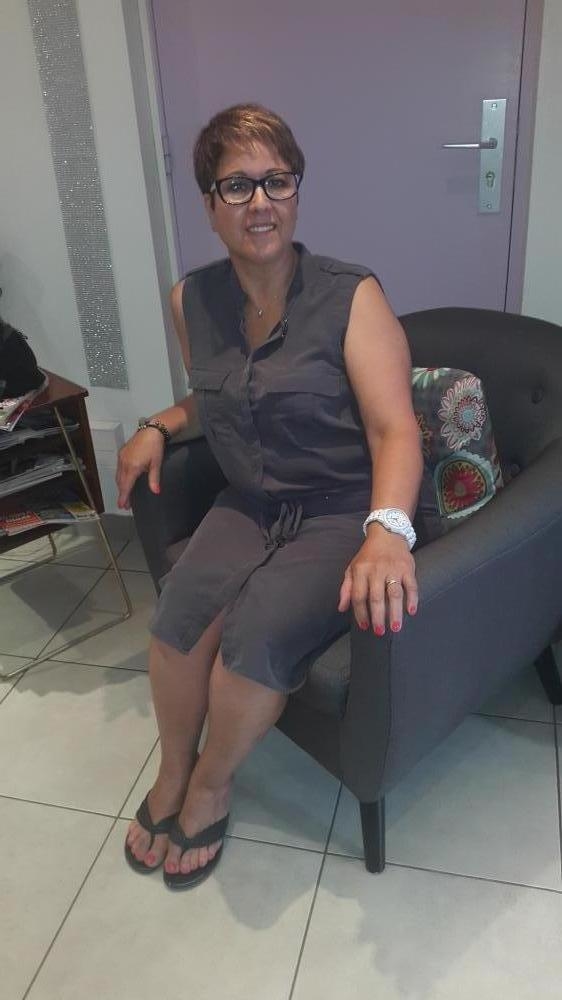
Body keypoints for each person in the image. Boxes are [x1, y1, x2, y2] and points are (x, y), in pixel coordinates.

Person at [117, 104, 423, 890]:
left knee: (255, 637)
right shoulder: (192, 299)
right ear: (209, 204)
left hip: (339, 509)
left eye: (277, 181)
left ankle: (211, 786)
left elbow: (394, 429)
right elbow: (221, 396)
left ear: (296, 192)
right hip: (249, 500)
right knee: (179, 617)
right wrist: (159, 423)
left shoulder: (351, 295)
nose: (260, 202)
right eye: (237, 185)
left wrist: (387, 530)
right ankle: (172, 771)